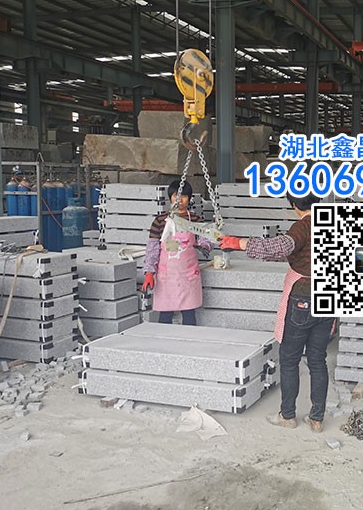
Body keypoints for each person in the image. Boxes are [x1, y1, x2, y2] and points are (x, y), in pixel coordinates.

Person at [219, 193, 334, 433]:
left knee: (290, 359)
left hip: (304, 297)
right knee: (317, 359)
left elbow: (280, 247)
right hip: (329, 296)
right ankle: (317, 419)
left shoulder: (303, 227)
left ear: (294, 204)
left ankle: (288, 415)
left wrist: (239, 243)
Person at [142, 180, 213, 325]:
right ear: (170, 197)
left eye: (184, 196)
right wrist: (149, 272)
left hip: (188, 275)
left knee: (189, 314)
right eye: (176, 196)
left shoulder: (195, 220)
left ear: (189, 199)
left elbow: (206, 239)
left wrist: (204, 245)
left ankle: (190, 339)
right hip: (166, 276)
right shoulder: (160, 221)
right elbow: (152, 249)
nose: (179, 200)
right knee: (165, 315)